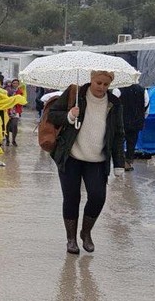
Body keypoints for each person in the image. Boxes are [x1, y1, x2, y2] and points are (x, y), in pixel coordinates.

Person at [48, 71, 125, 255]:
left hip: (97, 160)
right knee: (71, 198)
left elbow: (118, 133)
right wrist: (69, 116)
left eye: (106, 84)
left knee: (98, 197)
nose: (101, 87)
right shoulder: (75, 94)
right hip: (71, 156)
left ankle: (86, 232)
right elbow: (52, 115)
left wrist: (119, 163)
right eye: (98, 83)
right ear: (91, 79)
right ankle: (71, 239)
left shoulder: (114, 103)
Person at [118, 83, 149, 171]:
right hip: (136, 122)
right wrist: (142, 117)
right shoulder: (143, 90)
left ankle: (119, 162)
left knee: (119, 142)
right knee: (132, 143)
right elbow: (146, 106)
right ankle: (128, 162)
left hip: (121, 121)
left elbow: (113, 104)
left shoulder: (118, 89)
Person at [5, 79, 26, 146]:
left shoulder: (20, 91)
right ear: (12, 83)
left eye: (16, 83)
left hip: (16, 110)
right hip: (7, 109)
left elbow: (22, 100)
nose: (15, 84)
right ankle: (7, 140)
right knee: (7, 125)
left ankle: (13, 140)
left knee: (14, 125)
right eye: (14, 83)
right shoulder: (7, 90)